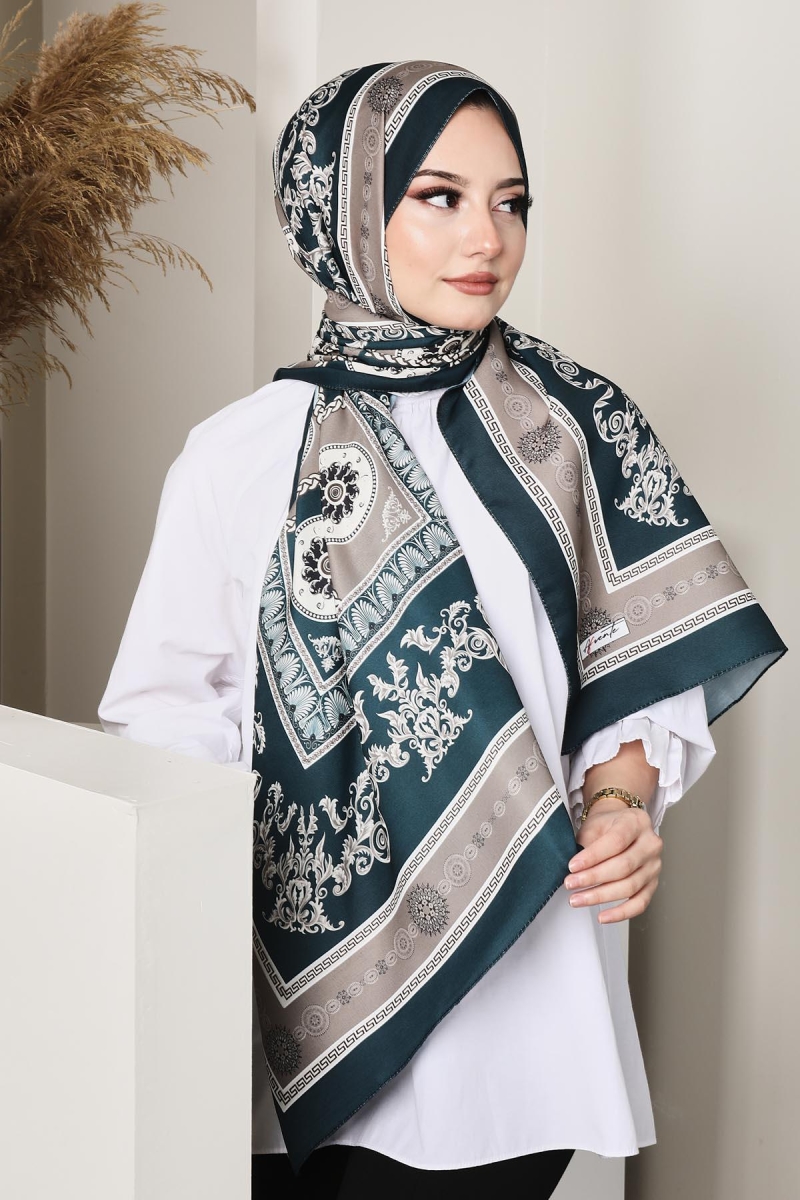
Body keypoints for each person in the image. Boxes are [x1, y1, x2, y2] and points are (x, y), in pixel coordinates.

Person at [99, 61, 785, 1199]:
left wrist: (622, 806)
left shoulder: (577, 425)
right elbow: (168, 721)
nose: (488, 238)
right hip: (291, 1004)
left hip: (523, 994)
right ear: (343, 212)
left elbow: (638, 669)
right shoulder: (237, 453)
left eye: (511, 201)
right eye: (440, 197)